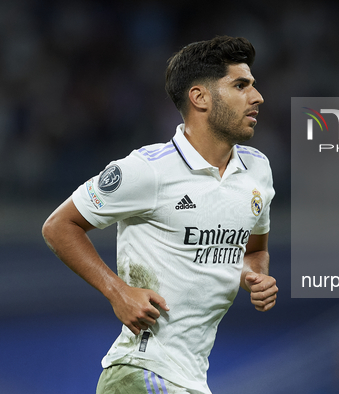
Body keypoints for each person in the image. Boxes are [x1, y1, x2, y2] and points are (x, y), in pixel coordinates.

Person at [42, 36, 278, 394]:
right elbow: (59, 226)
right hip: (141, 372)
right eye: (241, 85)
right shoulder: (148, 170)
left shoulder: (258, 170)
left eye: (254, 85)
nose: (257, 97)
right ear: (200, 97)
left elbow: (253, 251)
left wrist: (253, 276)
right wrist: (118, 291)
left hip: (190, 379)